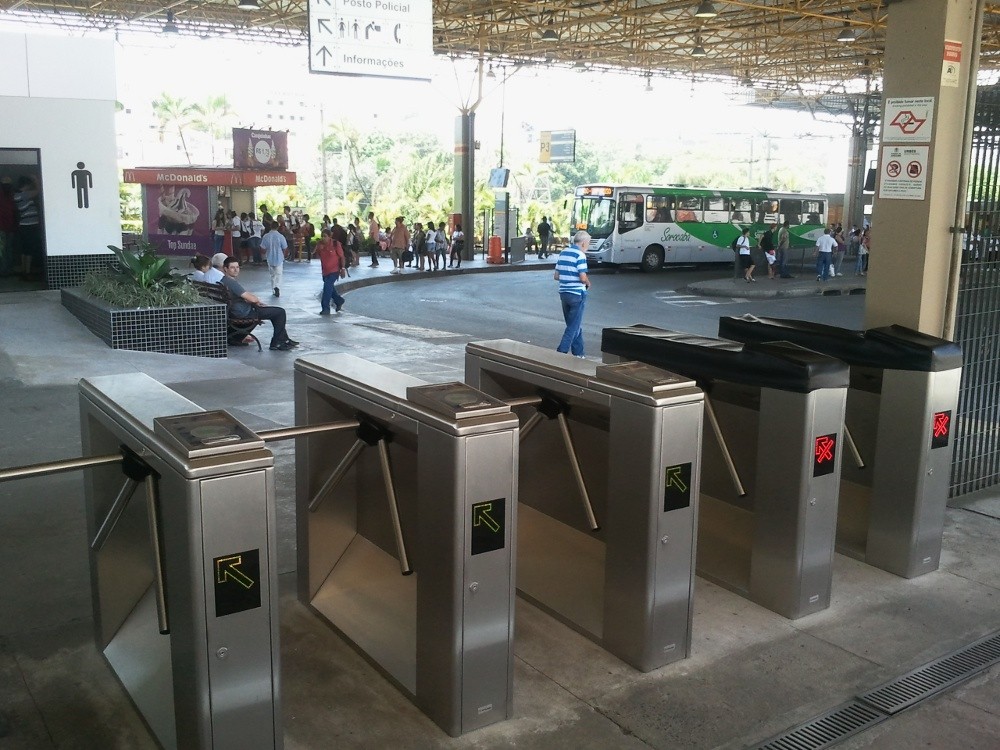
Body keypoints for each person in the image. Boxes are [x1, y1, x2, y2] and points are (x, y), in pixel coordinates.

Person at [220, 257, 297, 351]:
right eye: (232, 267)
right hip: (244, 313)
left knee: (274, 312)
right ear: (225, 269)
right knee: (279, 312)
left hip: (235, 311)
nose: (236, 270)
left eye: (237, 267)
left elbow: (241, 298)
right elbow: (252, 298)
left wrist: (252, 301)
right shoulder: (232, 283)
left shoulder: (223, 281)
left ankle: (284, 339)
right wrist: (256, 301)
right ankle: (277, 342)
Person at [554, 230, 591, 357]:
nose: (588, 246)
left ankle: (579, 354)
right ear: (583, 243)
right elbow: (582, 277)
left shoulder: (563, 253)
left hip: (564, 293)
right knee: (573, 327)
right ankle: (561, 352)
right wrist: (588, 282)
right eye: (588, 243)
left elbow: (556, 276)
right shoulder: (580, 255)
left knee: (574, 324)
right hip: (576, 294)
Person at [14, 176, 42, 279]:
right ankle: (27, 272)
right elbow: (38, 191)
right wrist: (36, 180)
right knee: (29, 250)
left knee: (25, 250)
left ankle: (24, 270)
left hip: (24, 226)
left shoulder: (17, 195)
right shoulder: (23, 195)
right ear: (25, 185)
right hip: (29, 226)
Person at [315, 229, 347, 315]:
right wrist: (319, 249)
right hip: (325, 271)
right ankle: (339, 300)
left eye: (325, 236)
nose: (323, 238)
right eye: (322, 236)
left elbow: (342, 257)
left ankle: (325, 308)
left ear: (329, 237)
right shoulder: (320, 244)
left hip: (334, 270)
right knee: (330, 288)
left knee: (327, 287)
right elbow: (316, 255)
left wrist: (343, 269)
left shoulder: (336, 244)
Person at [260, 221, 287, 297]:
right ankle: (277, 287)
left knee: (272, 275)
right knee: (279, 274)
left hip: (270, 257)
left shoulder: (266, 236)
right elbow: (285, 247)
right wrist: (283, 256)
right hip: (279, 258)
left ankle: (273, 289)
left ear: (270, 226)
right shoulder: (281, 236)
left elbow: (263, 248)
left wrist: (264, 255)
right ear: (278, 227)